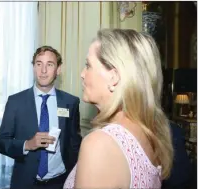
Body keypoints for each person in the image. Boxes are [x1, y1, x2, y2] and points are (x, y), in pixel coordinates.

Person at [63, 29, 174, 189]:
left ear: (113, 77)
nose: (82, 74)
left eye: (88, 65)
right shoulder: (150, 132)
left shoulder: (100, 145)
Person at [0, 46, 82, 189]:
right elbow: (0, 143)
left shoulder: (70, 103)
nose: (43, 70)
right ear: (34, 67)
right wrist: (27, 145)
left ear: (58, 69)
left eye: (50, 64)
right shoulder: (15, 102)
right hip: (25, 182)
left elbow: (74, 145)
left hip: (60, 182)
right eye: (39, 64)